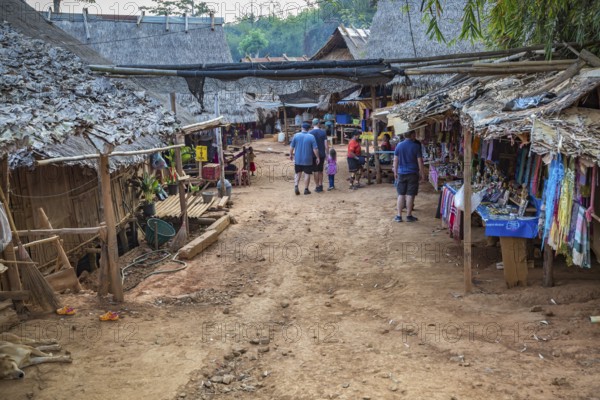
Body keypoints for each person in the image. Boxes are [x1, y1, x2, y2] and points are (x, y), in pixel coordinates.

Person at [393, 131, 426, 222]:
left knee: (401, 194)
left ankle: (399, 216)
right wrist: (422, 174)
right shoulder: (416, 146)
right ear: (411, 135)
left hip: (401, 173)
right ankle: (408, 215)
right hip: (413, 173)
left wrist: (395, 172)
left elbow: (395, 160)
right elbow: (420, 161)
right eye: (414, 134)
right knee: (410, 194)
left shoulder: (399, 145)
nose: (415, 136)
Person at [290, 122, 319, 195]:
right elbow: (315, 149)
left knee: (297, 173)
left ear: (302, 128)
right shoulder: (311, 137)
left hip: (298, 158)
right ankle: (306, 189)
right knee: (307, 174)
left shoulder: (296, 135)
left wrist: (291, 154)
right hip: (307, 159)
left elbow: (291, 147)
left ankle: (296, 185)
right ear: (309, 129)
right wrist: (317, 157)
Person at [309, 118, 328, 193]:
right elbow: (326, 145)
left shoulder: (310, 133)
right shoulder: (323, 133)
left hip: (313, 154)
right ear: (318, 124)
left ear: (313, 124)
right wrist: (327, 154)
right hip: (322, 154)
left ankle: (317, 186)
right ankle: (320, 185)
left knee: (315, 171)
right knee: (320, 170)